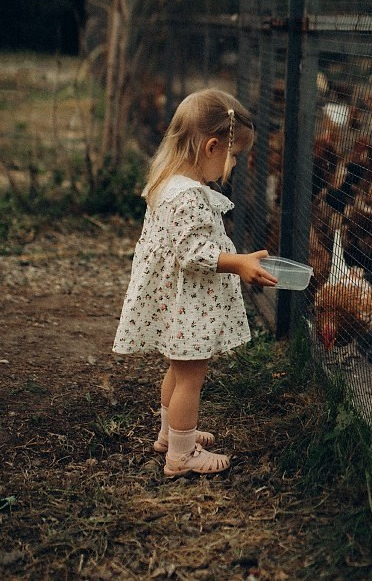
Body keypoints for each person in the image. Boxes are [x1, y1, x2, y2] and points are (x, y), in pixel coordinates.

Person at [113, 88, 277, 477]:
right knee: (191, 379)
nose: (235, 164)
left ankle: (171, 435)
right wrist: (237, 263)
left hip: (176, 301)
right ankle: (181, 457)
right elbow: (194, 253)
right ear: (211, 146)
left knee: (177, 370)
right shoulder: (186, 197)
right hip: (187, 303)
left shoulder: (168, 183)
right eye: (234, 156)